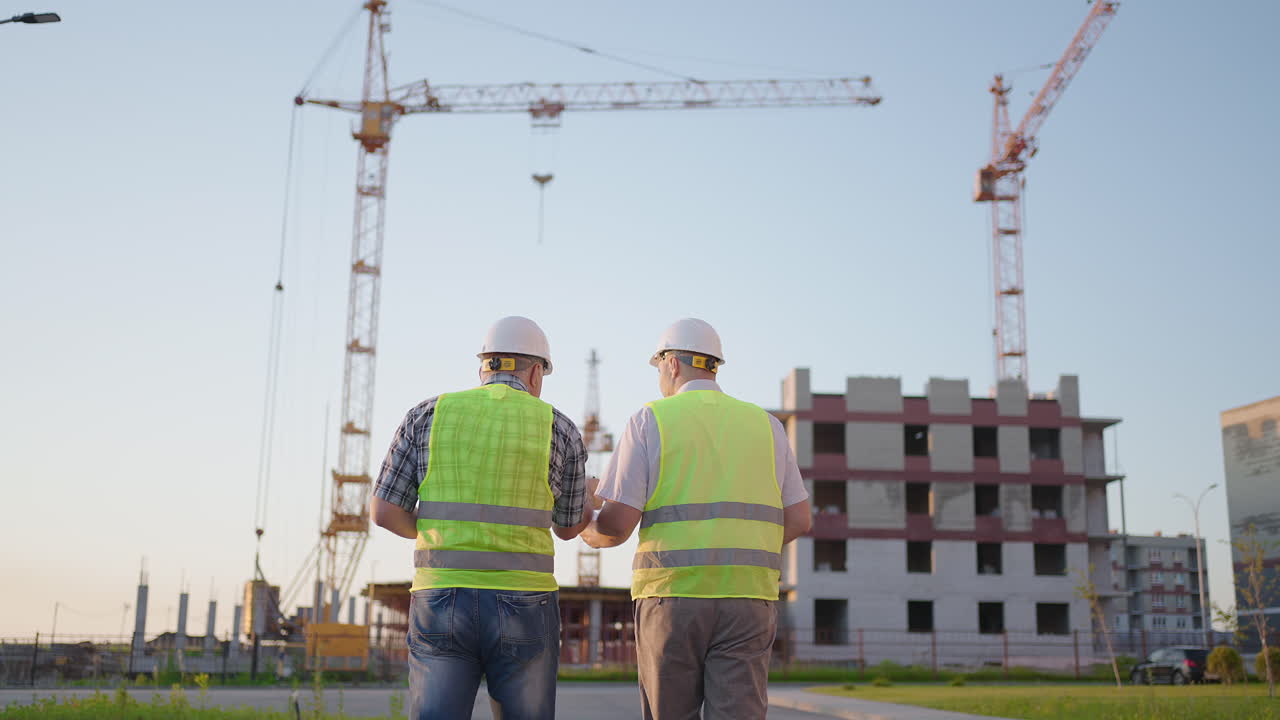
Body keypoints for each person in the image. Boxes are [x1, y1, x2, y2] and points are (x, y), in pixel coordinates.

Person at [582, 318, 811, 720]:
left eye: (658, 370)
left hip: (672, 598)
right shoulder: (767, 426)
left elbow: (616, 527)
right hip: (748, 598)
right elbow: (799, 520)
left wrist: (584, 521)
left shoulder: (650, 420)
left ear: (671, 364)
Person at [370, 316, 591, 720]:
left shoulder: (427, 415)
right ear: (537, 372)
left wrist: (437, 529)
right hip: (526, 600)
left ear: (483, 366)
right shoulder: (559, 428)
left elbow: (384, 512)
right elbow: (568, 527)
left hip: (440, 596)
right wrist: (589, 497)